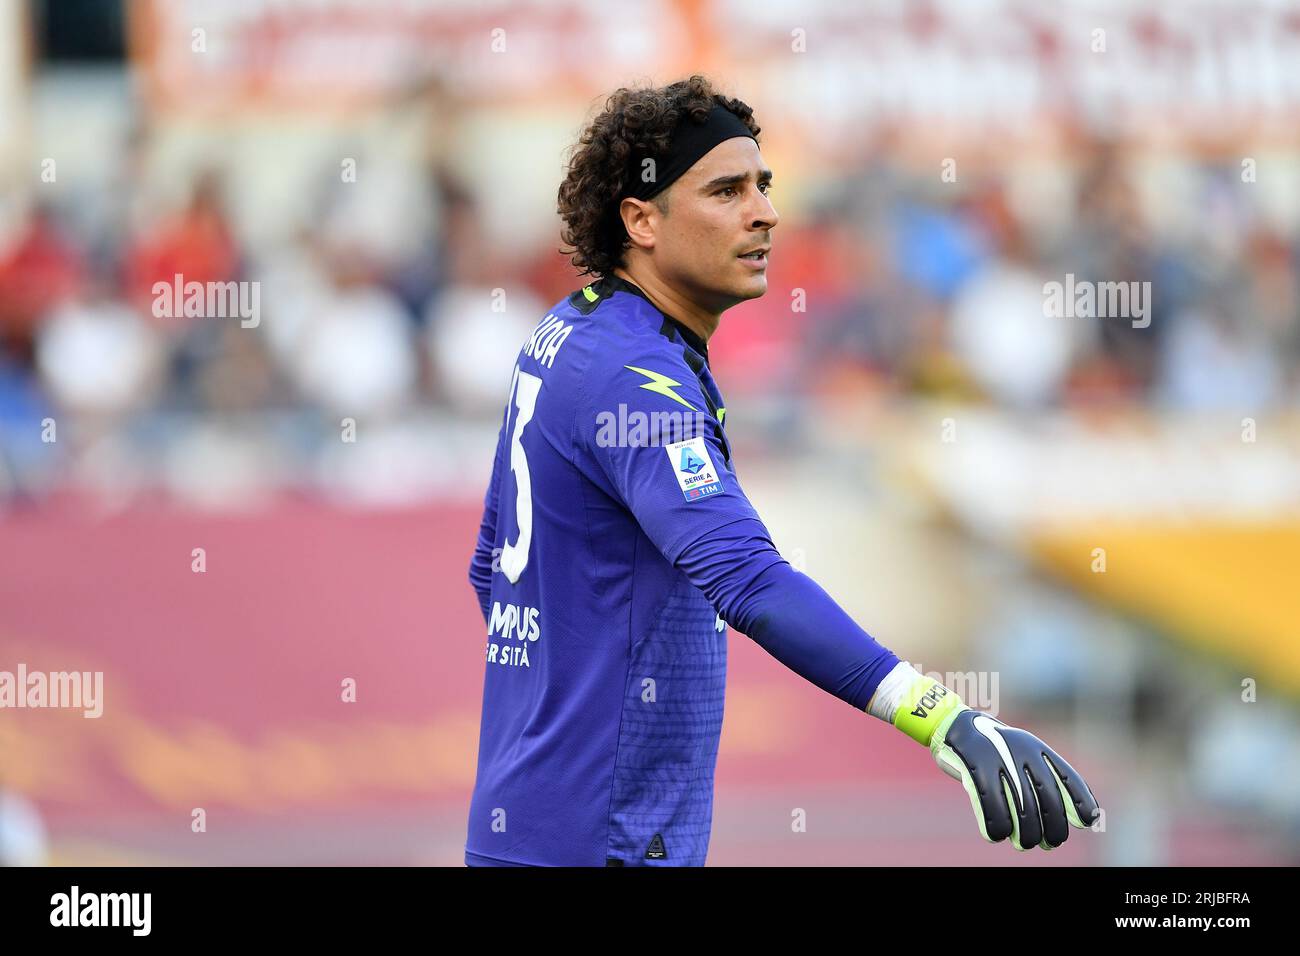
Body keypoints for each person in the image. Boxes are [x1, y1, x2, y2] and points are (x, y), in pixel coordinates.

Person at [464, 76, 1099, 866]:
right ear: (642, 218)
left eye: (763, 185)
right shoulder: (636, 377)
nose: (765, 212)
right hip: (602, 843)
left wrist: (574, 707)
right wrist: (941, 718)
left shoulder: (572, 329)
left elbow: (489, 568)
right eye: (726, 190)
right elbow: (749, 582)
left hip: (535, 824)